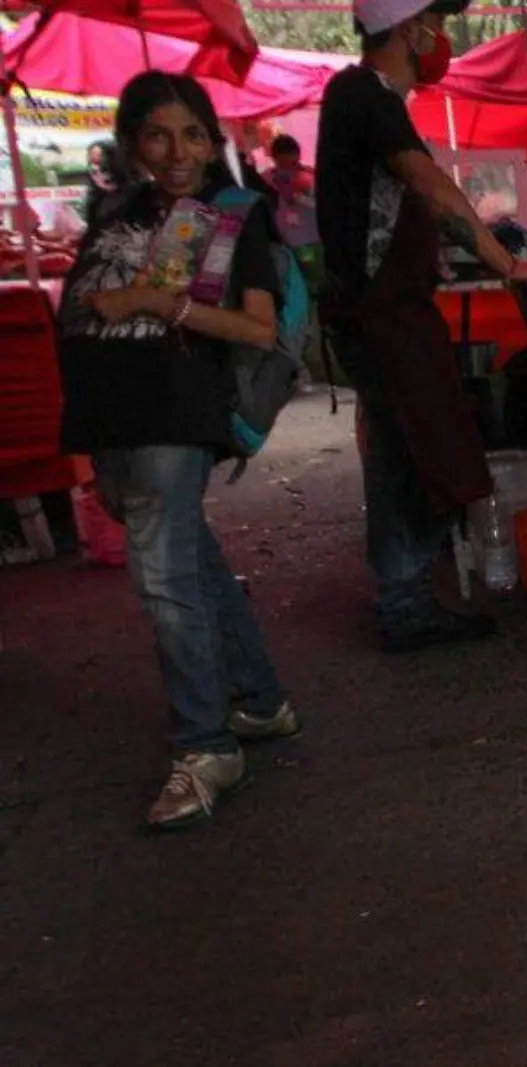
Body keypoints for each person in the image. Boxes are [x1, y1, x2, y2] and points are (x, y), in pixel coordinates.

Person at [56, 72, 298, 830]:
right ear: (132, 144)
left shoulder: (236, 214)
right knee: (187, 562)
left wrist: (163, 303)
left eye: (193, 133)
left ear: (212, 141)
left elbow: (260, 329)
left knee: (163, 581)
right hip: (111, 416)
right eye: (159, 134)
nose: (177, 150)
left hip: (175, 414)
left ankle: (205, 745)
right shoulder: (113, 210)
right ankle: (261, 701)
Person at [317, 0, 527, 653]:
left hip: (389, 310)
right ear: (406, 30)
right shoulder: (364, 94)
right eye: (434, 24)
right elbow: (429, 186)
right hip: (379, 315)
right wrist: (507, 264)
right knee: (403, 453)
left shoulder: (363, 98)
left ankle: (408, 591)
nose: (441, 38)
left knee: (408, 447)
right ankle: (404, 601)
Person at [264, 133, 320, 251]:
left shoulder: (311, 176)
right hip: (284, 243)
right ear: (274, 159)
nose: (289, 171)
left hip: (312, 240)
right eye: (283, 166)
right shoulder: (266, 180)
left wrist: (304, 194)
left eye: (293, 164)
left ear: (299, 156)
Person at [80, 139, 130, 229]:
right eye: (92, 154)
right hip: (100, 199)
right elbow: (100, 183)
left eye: (98, 154)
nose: (94, 157)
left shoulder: (122, 170)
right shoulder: (93, 169)